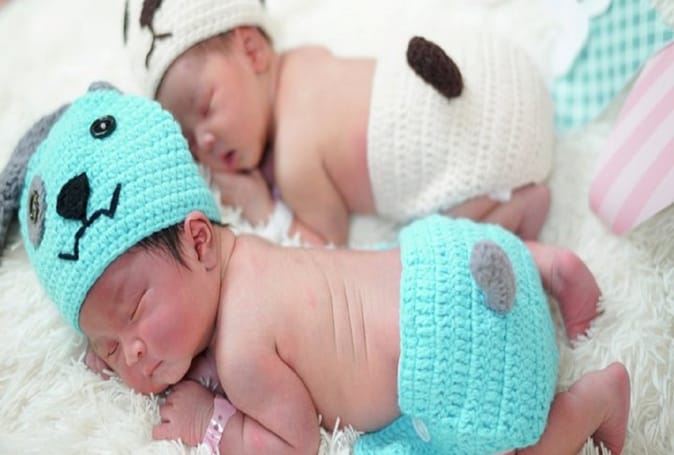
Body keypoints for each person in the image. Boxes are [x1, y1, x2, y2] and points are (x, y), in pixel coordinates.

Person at [1, 85, 629, 455]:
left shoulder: (243, 351)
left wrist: (206, 423)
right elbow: (159, 321)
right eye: (109, 349)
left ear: (197, 240)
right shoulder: (247, 256)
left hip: (454, 357)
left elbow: (293, 441)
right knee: (416, 257)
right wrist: (117, 336)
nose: (131, 352)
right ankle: (548, 265)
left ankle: (591, 401)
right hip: (454, 263)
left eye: (135, 311)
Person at [123, 0, 555, 246]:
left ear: (253, 51)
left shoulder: (296, 159)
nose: (204, 141)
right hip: (502, 71)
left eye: (206, 106)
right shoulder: (306, 59)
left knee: (427, 251)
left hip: (491, 153)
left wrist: (261, 207)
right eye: (189, 140)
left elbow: (325, 253)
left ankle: (513, 208)